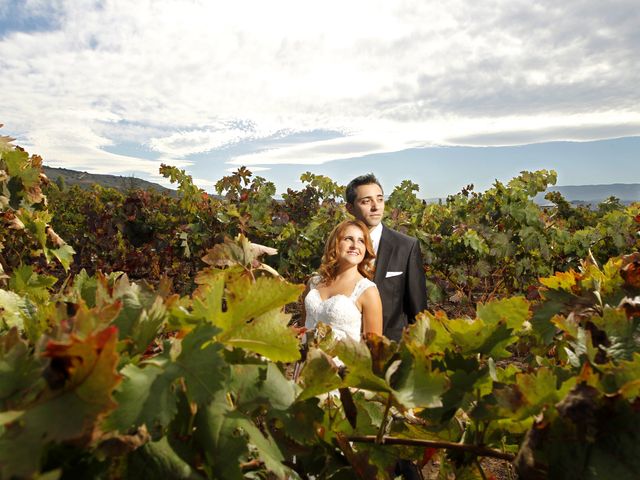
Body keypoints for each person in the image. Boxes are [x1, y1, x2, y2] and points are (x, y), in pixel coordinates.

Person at [345, 173, 428, 342]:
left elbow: (418, 312)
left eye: (380, 199)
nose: (376, 207)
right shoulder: (340, 247)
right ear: (350, 208)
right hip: (347, 349)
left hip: (391, 349)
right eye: (366, 201)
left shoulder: (406, 246)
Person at [302, 219, 383, 342]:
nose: (355, 245)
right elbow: (304, 330)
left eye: (361, 241)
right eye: (348, 239)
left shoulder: (367, 291)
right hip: (306, 359)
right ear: (335, 243)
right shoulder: (313, 283)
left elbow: (374, 349)